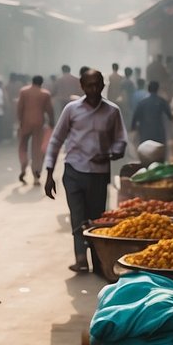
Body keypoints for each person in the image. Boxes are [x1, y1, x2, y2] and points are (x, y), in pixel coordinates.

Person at [44, 69, 128, 273]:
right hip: (74, 170)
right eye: (89, 85)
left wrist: (111, 154)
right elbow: (56, 140)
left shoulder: (112, 111)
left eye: (97, 85)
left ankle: (98, 261)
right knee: (77, 216)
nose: (94, 89)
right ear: (82, 86)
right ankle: (81, 258)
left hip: (99, 173)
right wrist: (49, 173)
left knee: (97, 219)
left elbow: (121, 140)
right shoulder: (71, 109)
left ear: (103, 85)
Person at [15, 75, 55, 186]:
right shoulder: (45, 94)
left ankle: (23, 165)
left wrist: (19, 122)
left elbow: (19, 108)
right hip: (39, 123)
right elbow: (49, 110)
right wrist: (52, 121)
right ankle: (36, 173)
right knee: (37, 149)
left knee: (22, 146)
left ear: (31, 82)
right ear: (41, 83)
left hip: (25, 122)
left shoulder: (23, 92)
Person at [131, 80, 171, 146]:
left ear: (148, 89)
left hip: (145, 133)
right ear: (157, 89)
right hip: (158, 133)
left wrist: (133, 129)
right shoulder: (161, 101)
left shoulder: (142, 103)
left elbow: (135, 118)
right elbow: (169, 116)